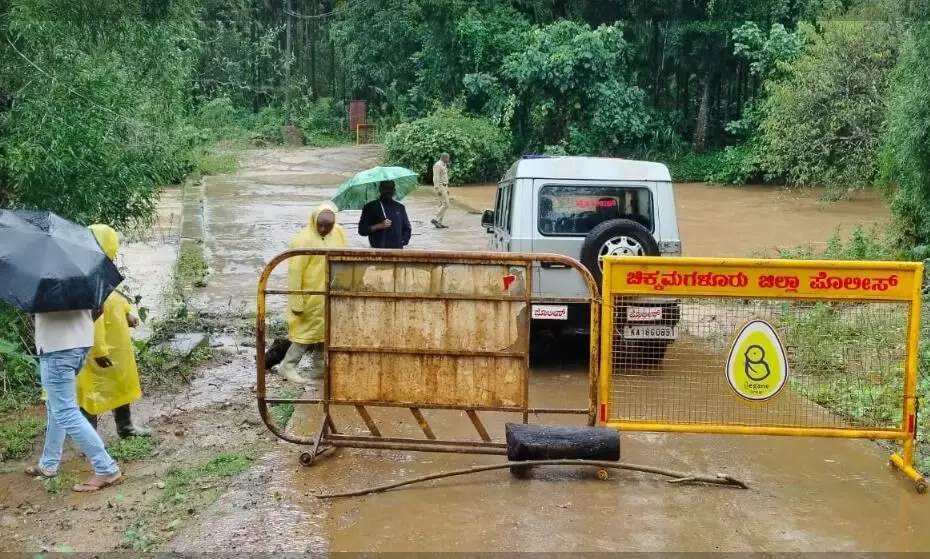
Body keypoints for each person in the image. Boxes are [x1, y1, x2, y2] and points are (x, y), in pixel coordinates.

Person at [27, 308, 122, 492]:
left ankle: (106, 467)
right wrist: (78, 323)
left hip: (57, 348)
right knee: (56, 406)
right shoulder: (80, 280)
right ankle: (49, 463)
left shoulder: (45, 283)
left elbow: (30, 306)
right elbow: (99, 307)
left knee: (65, 410)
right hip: (80, 344)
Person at [76, 224, 151, 439]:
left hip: (115, 342)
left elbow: (113, 297)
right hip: (98, 345)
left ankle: (126, 428)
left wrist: (127, 312)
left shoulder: (102, 269)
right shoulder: (87, 273)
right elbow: (94, 316)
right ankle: (90, 439)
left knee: (120, 383)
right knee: (89, 391)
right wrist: (99, 350)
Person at [280, 202, 347, 383]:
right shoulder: (302, 240)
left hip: (330, 292)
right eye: (320, 225)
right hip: (309, 295)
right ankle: (288, 366)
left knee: (324, 333)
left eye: (328, 226)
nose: (324, 229)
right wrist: (296, 301)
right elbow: (294, 272)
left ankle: (319, 369)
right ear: (313, 221)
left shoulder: (339, 233)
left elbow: (344, 260)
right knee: (305, 333)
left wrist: (345, 288)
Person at [358, 180, 411, 249]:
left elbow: (407, 228)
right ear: (380, 189)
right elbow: (362, 230)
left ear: (394, 190)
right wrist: (379, 225)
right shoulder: (370, 207)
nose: (388, 191)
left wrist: (403, 240)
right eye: (385, 188)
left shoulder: (400, 207)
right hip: (377, 251)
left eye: (390, 188)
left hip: (397, 250)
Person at [431, 153, 451, 229]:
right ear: (443, 158)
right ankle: (435, 219)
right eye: (447, 158)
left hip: (445, 186)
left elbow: (444, 176)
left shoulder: (444, 165)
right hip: (440, 186)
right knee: (446, 204)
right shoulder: (438, 165)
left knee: (441, 205)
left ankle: (439, 223)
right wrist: (437, 188)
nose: (448, 160)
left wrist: (447, 188)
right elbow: (436, 178)